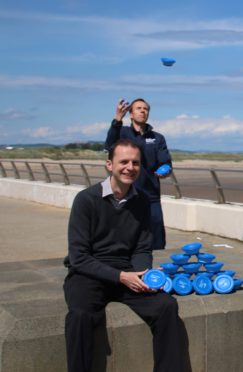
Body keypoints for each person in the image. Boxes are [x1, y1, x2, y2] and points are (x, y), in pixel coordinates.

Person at [63, 139, 181, 372]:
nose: (130, 167)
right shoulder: (86, 200)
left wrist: (142, 273)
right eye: (124, 162)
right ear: (109, 164)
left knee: (166, 306)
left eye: (135, 163)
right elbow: (79, 257)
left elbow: (142, 248)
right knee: (80, 316)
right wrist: (120, 276)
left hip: (128, 271)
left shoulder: (142, 202)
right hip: (89, 273)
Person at [105, 98, 172, 250]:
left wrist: (165, 171)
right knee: (124, 237)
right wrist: (117, 119)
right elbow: (109, 145)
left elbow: (165, 162)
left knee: (155, 240)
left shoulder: (157, 138)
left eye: (145, 109)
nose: (143, 111)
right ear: (131, 114)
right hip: (125, 195)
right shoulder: (122, 133)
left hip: (151, 195)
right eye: (138, 108)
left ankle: (151, 272)